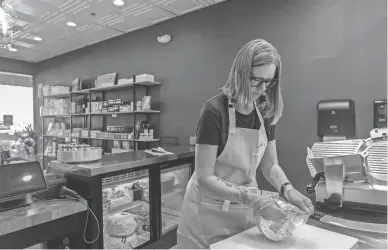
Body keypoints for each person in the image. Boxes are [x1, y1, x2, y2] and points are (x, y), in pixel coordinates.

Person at [176, 38, 315, 249]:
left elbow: (270, 166)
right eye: (256, 80)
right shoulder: (214, 111)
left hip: (242, 212)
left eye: (269, 82)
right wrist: (254, 200)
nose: (262, 88)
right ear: (240, 73)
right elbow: (205, 176)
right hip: (205, 215)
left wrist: (288, 190)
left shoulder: (265, 113)